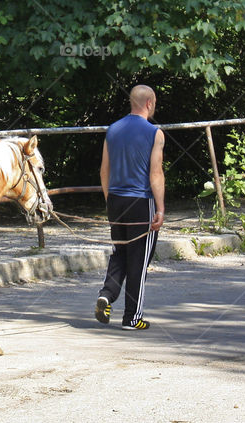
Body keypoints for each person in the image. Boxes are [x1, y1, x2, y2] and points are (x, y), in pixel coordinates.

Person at [95, 84, 165, 330]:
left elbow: (104, 170)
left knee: (120, 252)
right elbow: (155, 174)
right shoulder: (154, 132)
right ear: (149, 103)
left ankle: (107, 294)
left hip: (115, 199)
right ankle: (132, 318)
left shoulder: (113, 129)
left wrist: (109, 199)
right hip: (140, 201)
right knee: (138, 260)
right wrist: (160, 208)